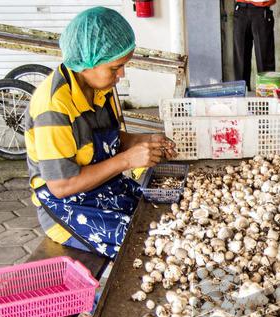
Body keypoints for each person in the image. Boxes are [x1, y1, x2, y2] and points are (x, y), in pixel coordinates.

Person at [24, 7, 174, 258]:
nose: (121, 74)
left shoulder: (100, 88)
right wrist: (127, 159)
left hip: (105, 188)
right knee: (148, 245)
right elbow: (62, 185)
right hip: (67, 208)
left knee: (163, 217)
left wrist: (144, 141)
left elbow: (107, 141)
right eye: (115, 68)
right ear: (87, 63)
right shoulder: (54, 107)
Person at [234, 0, 277, 90]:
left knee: (265, 60)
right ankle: (241, 97)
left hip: (261, 11)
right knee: (241, 60)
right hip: (241, 10)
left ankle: (266, 96)